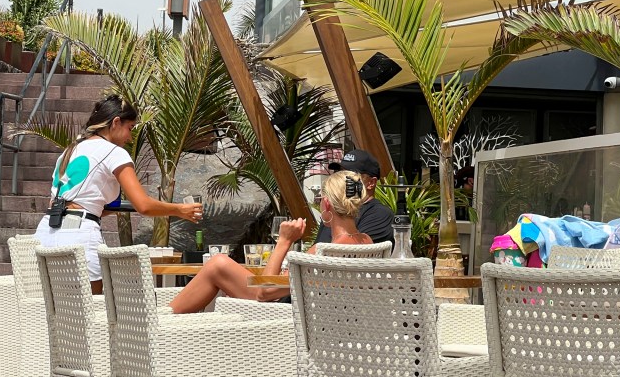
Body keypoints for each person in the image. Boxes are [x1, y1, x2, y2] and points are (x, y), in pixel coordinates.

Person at [34, 94, 202, 294]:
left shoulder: (71, 150)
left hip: (46, 232)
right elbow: (144, 205)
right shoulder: (114, 152)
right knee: (91, 312)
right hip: (79, 236)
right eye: (130, 128)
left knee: (55, 310)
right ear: (115, 122)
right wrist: (180, 210)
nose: (130, 137)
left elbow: (72, 201)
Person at [169, 170, 372, 314]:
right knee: (220, 268)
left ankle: (164, 322)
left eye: (320, 199)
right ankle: (167, 319)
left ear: (326, 204)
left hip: (286, 322)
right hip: (337, 325)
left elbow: (265, 292)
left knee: (217, 264)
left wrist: (284, 241)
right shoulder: (367, 243)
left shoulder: (324, 251)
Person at [315, 149, 394, 245]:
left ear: (371, 183)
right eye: (339, 173)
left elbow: (350, 251)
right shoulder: (333, 210)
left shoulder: (380, 214)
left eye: (350, 176)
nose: (341, 179)